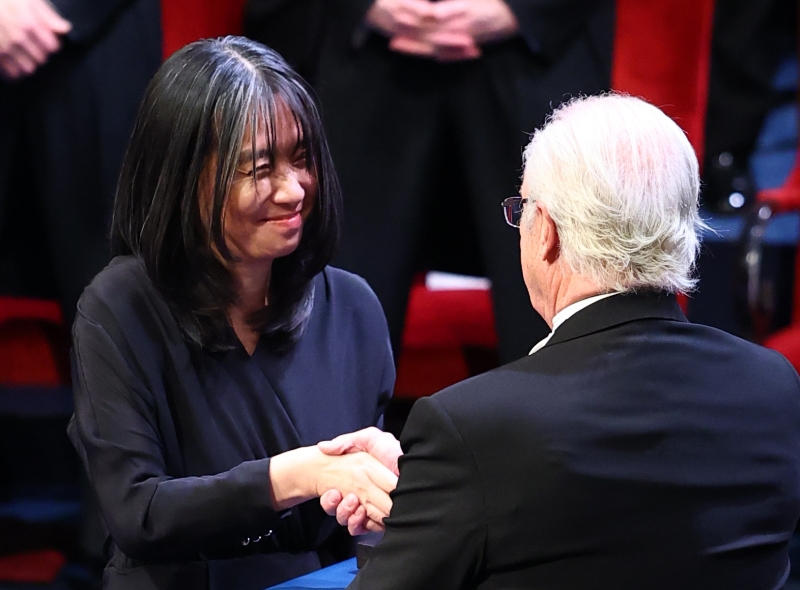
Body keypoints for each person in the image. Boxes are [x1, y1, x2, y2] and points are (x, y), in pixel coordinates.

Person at [341, 94, 800, 589]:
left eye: (522, 210)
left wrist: (443, 485)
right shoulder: (773, 386)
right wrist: (432, 496)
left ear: (547, 235)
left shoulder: (473, 425)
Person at [67, 36, 399, 590]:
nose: (293, 189)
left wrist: (381, 480)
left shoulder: (354, 308)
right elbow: (137, 515)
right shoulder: (119, 305)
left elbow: (350, 529)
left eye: (302, 159)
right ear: (183, 177)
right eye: (260, 168)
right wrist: (294, 476)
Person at [300, 0, 615, 363]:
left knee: (552, 297)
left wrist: (521, 11)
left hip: (540, 56)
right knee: (339, 311)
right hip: (363, 57)